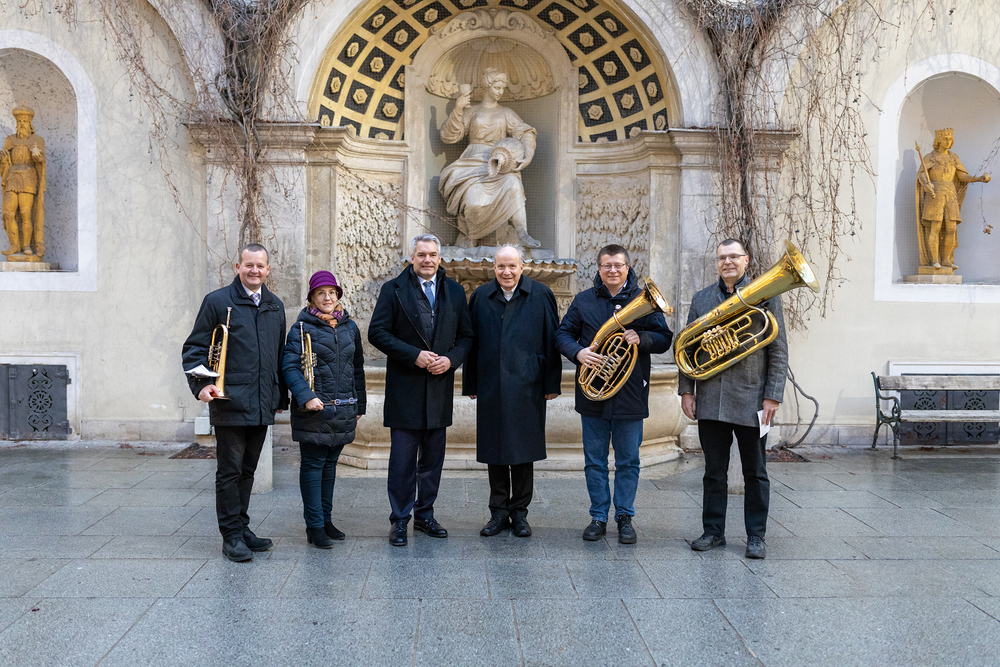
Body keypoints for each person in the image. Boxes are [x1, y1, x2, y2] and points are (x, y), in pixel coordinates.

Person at [679, 238, 788, 560]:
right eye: (722, 258)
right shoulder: (701, 299)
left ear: (746, 260)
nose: (727, 262)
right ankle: (713, 531)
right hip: (711, 398)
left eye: (733, 257)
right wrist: (687, 390)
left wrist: (772, 396)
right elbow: (686, 348)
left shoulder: (766, 296)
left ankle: (756, 536)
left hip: (752, 399)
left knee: (755, 472)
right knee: (714, 471)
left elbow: (778, 350)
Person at [556, 244, 672, 544]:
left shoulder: (642, 299)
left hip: (630, 393)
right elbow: (562, 334)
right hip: (593, 393)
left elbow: (664, 338)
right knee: (594, 460)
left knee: (628, 460)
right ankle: (598, 516)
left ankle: (624, 516)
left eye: (618, 265)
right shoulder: (583, 300)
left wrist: (641, 337)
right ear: (599, 269)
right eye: (606, 265)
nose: (612, 270)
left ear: (627, 267)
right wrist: (579, 353)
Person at [182, 243, 288, 562]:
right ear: (238, 267)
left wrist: (280, 396)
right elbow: (194, 348)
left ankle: (241, 528)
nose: (254, 270)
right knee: (229, 471)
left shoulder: (275, 305)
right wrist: (201, 385)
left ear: (268, 270)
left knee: (248, 470)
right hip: (229, 401)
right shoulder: (217, 302)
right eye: (248, 265)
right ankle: (230, 536)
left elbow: (279, 355)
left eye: (260, 266)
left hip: (263, 400)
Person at [368, 233, 474, 546]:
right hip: (405, 389)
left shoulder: (455, 291)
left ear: (440, 258)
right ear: (412, 258)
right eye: (422, 255)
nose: (427, 260)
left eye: (432, 255)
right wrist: (413, 355)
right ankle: (400, 520)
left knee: (431, 462)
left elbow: (466, 337)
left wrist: (451, 360)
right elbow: (377, 332)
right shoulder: (392, 289)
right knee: (402, 462)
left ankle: (425, 515)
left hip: (439, 389)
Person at [463, 245, 562, 538]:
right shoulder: (481, 296)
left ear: (522, 267)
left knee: (522, 450)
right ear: (493, 267)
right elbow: (471, 342)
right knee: (494, 450)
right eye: (501, 266)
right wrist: (471, 383)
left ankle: (519, 514)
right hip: (491, 384)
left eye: (512, 266)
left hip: (528, 384)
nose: (506, 272)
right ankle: (498, 513)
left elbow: (552, 339)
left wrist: (551, 384)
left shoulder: (541, 294)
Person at [282, 270, 366, 549]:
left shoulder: (349, 327)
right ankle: (314, 526)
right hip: (314, 410)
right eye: (321, 293)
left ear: (338, 296)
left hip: (342, 409)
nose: (327, 298)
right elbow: (289, 367)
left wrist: (360, 403)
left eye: (332, 292)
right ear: (312, 298)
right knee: (313, 465)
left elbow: (357, 369)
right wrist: (306, 396)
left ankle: (326, 520)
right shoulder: (300, 328)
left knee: (330, 466)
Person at [439, 67, 541, 248]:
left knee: (513, 184)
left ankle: (522, 232)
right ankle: (471, 236)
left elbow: (525, 132)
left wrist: (528, 154)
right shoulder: (472, 111)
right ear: (487, 86)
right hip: (472, 163)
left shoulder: (506, 113)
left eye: (502, 88)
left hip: (498, 162)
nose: (500, 92)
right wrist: (458, 108)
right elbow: (449, 136)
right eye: (497, 87)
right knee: (472, 200)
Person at [916, 128, 990, 269]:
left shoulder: (954, 158)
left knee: (951, 228)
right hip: (935, 192)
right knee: (935, 227)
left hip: (950, 193)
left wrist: (979, 178)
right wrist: (926, 183)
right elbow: (922, 174)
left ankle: (946, 259)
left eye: (950, 139)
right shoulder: (929, 157)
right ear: (938, 140)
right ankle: (934, 260)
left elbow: (962, 176)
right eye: (945, 139)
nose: (948, 141)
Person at [1, 102, 46, 259]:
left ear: (30, 123)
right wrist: (3, 159)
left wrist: (38, 157)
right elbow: (4, 162)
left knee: (26, 213)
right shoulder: (10, 139)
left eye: (24, 121)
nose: (21, 124)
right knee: (8, 213)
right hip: (12, 177)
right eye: (19, 121)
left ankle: (26, 245)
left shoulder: (37, 139)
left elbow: (41, 161)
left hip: (28, 177)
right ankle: (14, 245)